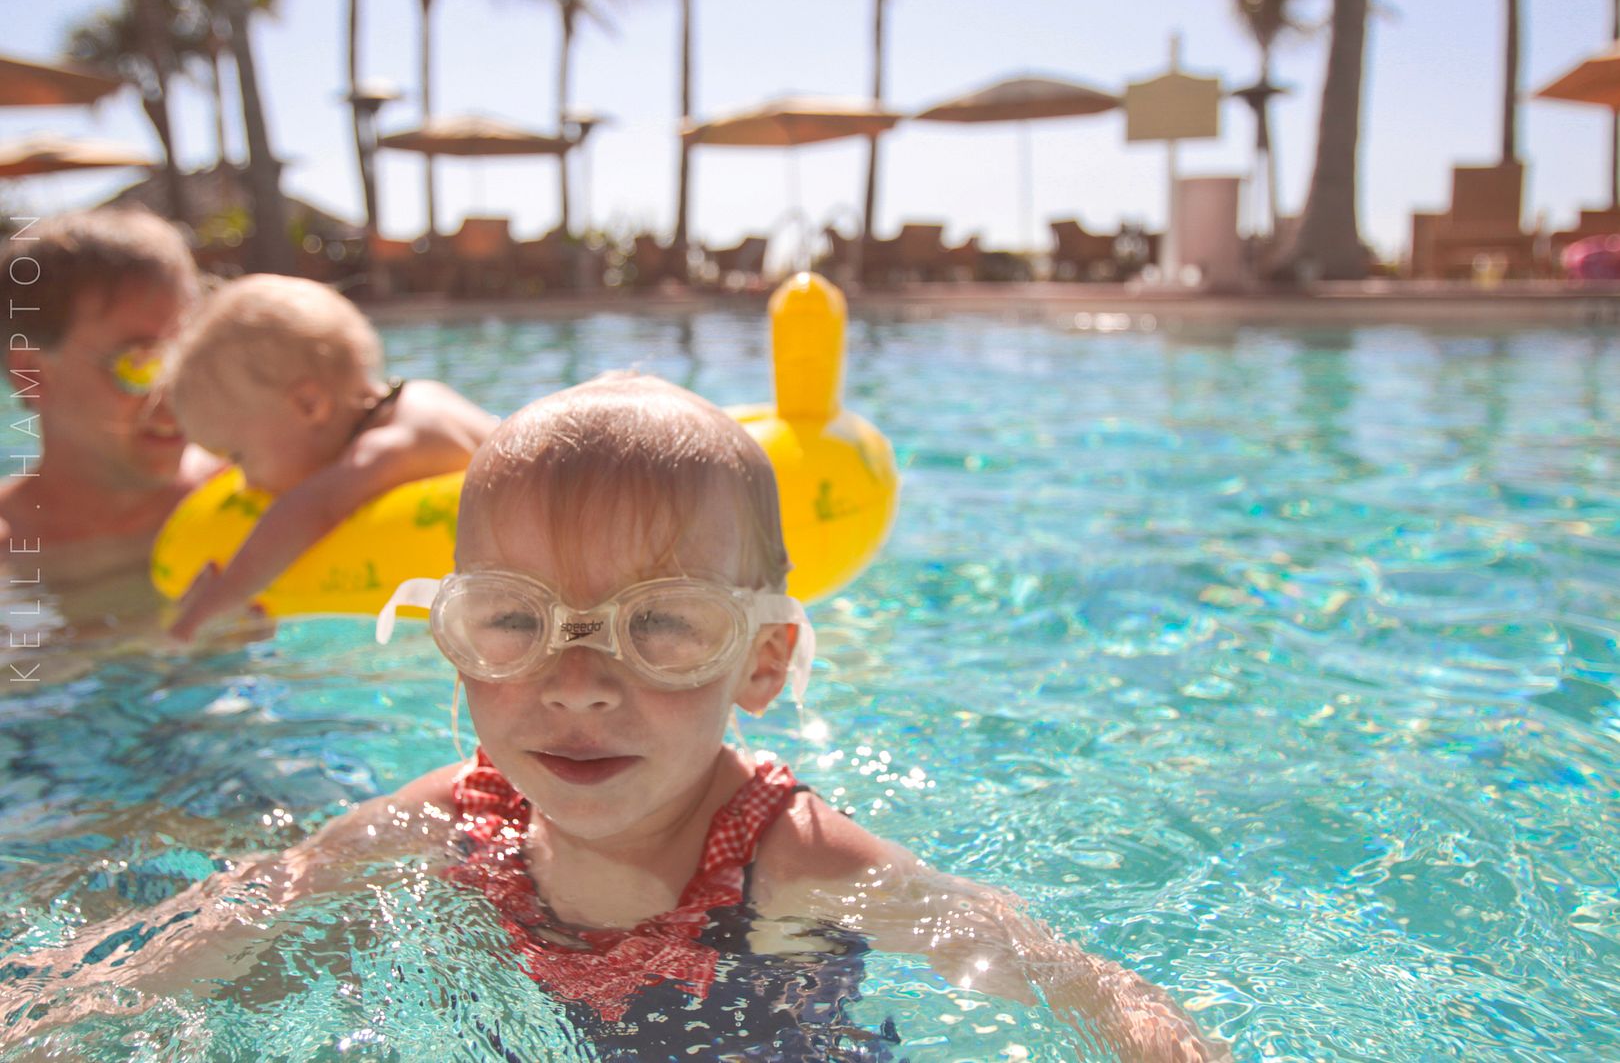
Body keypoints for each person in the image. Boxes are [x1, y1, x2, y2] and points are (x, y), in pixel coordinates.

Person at [3, 374, 1226, 1061]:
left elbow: (1050, 971)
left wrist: (1150, 1033)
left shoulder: (789, 857)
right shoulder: (460, 820)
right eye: (515, 622)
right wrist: (68, 1008)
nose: (578, 683)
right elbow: (252, 902)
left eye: (662, 625)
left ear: (764, 662)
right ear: (455, 643)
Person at [161, 273, 499, 642]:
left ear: (309, 405)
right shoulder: (423, 394)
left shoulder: (386, 447)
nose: (245, 481)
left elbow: (311, 510)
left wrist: (220, 598)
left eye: (239, 456)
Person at [0, 210, 215, 606]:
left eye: (189, 357)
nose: (176, 395)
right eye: (140, 364)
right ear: (32, 373)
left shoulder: (264, 492)